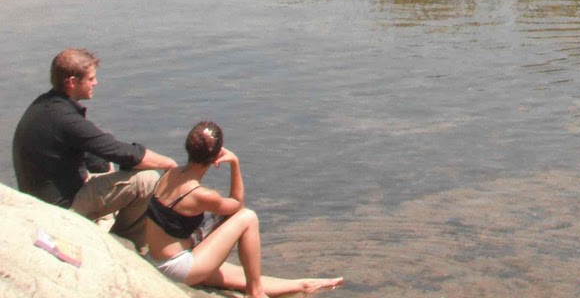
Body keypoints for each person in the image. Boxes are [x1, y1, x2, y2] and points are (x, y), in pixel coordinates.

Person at [140, 120, 342, 297]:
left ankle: (302, 285)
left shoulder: (171, 173)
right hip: (177, 268)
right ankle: (255, 293)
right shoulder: (200, 195)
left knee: (241, 276)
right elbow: (237, 205)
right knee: (248, 217)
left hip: (159, 258)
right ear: (217, 155)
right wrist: (234, 162)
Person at [11, 48, 176, 236]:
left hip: (43, 199)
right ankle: (126, 242)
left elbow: (91, 150)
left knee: (106, 164)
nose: (96, 83)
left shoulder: (46, 105)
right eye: (91, 78)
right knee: (147, 180)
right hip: (59, 209)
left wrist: (104, 167)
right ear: (72, 82)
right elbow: (119, 151)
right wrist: (168, 164)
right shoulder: (65, 119)